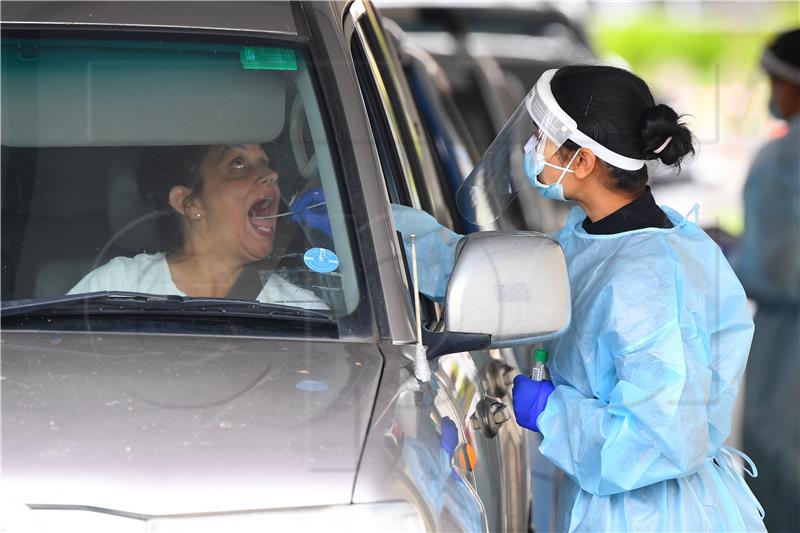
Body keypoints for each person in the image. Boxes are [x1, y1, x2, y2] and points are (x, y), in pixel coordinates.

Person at [409, 64, 764, 531]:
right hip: (605, 501)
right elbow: (509, 277)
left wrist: (553, 412)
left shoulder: (647, 279)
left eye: (543, 137)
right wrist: (394, 234)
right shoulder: (597, 235)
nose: (532, 148)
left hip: (652, 516)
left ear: (583, 162)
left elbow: (661, 438)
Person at [69, 143, 328, 310]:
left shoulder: (300, 308)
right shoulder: (116, 287)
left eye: (264, 163)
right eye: (237, 163)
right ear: (190, 204)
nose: (272, 174)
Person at [735, 28, 800, 533]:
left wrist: (725, 260)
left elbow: (778, 268)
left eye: (776, 82)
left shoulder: (784, 159)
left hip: (790, 348)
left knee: (782, 471)